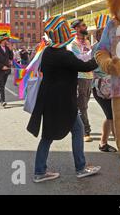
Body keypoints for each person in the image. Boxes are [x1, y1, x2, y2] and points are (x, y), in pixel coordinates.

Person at [27, 16, 100, 183]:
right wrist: (100, 56)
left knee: (49, 135)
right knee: (75, 130)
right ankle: (80, 168)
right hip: (63, 102)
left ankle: (40, 171)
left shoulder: (47, 52)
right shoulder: (63, 55)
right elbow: (86, 66)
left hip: (50, 101)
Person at [92, 28, 117, 153]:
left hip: (104, 85)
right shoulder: (101, 49)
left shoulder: (101, 47)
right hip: (102, 86)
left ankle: (107, 142)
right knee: (111, 115)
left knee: (111, 115)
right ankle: (105, 143)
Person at [68, 19, 94, 143]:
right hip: (79, 77)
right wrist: (92, 51)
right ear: (77, 29)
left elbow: (90, 60)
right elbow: (80, 59)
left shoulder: (88, 42)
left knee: (83, 105)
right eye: (83, 25)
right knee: (82, 106)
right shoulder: (72, 44)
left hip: (89, 77)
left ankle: (73, 125)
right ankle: (85, 131)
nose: (86, 27)